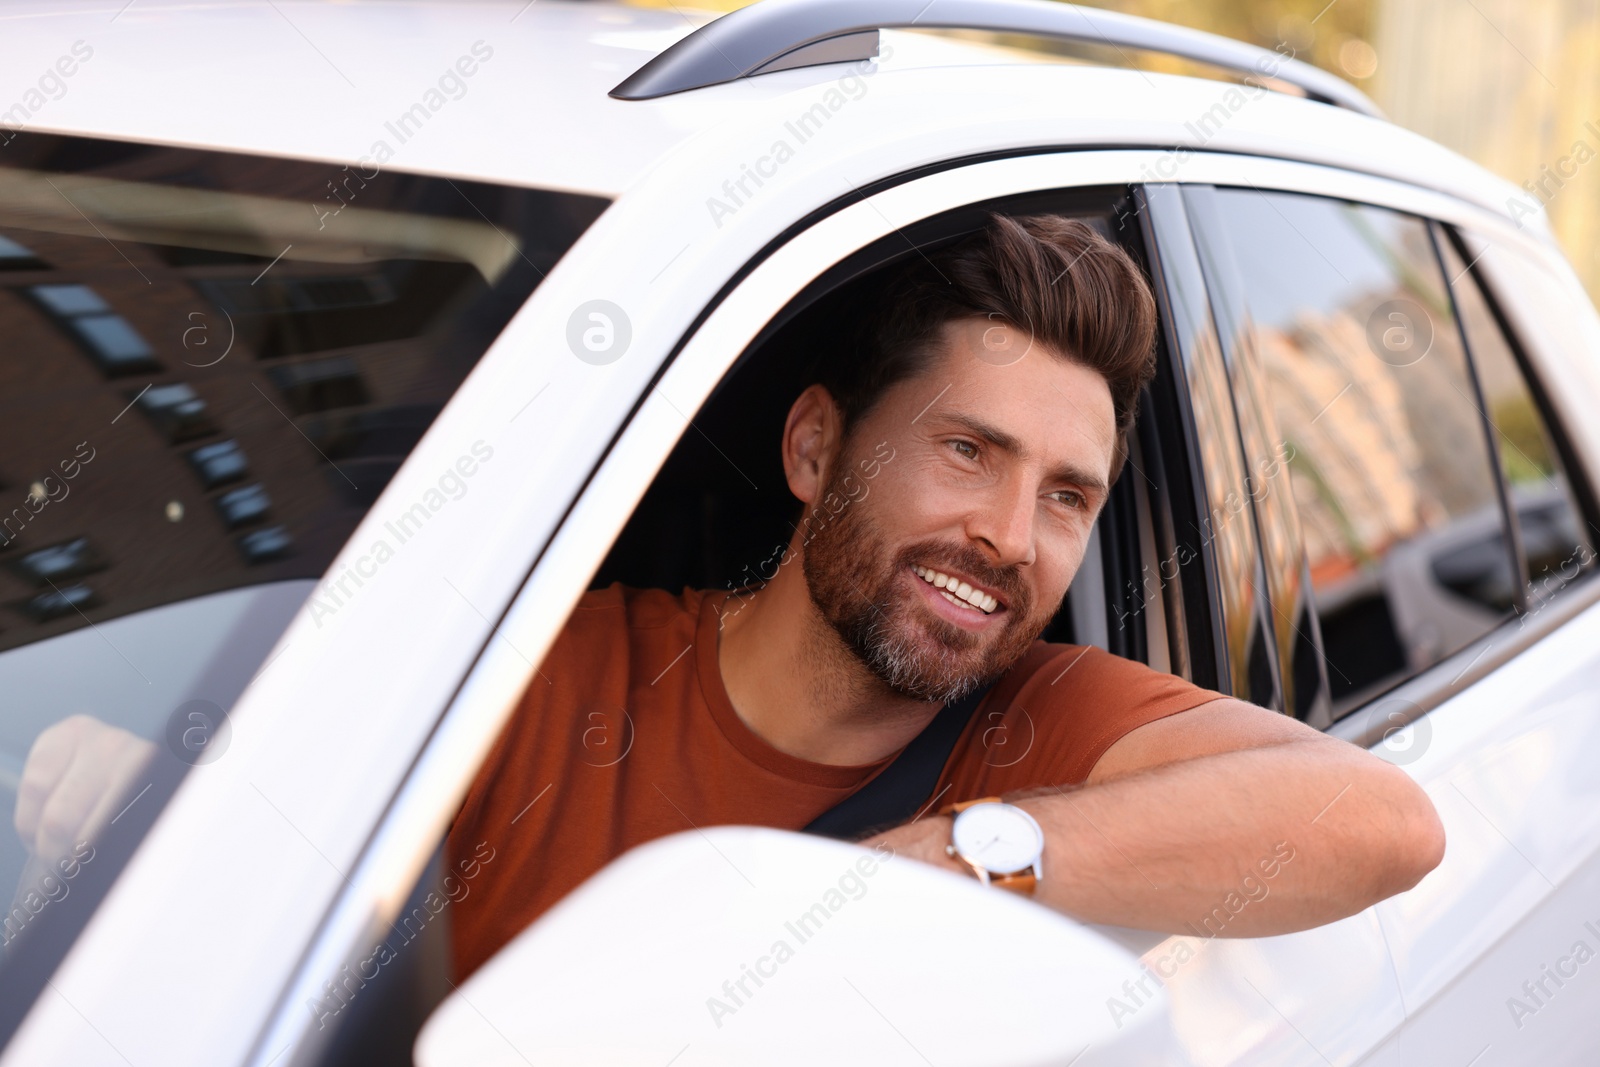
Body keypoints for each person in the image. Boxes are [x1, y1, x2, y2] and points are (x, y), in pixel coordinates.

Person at [443, 213, 1445, 981]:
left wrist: (954, 856)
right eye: (968, 451)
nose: (1008, 537)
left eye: (1065, 496)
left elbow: (1386, 820)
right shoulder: (535, 679)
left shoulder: (1037, 728)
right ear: (814, 446)